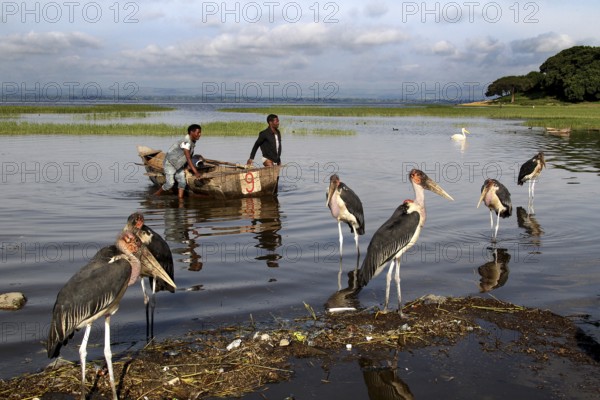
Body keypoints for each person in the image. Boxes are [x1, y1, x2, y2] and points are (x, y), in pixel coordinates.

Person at [154, 124, 203, 199]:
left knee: (182, 182)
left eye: (200, 133)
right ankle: (156, 195)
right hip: (170, 163)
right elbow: (188, 157)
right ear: (191, 132)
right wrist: (195, 172)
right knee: (170, 184)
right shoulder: (186, 142)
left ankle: (180, 199)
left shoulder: (192, 141)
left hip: (178, 164)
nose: (199, 135)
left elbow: (188, 156)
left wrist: (187, 167)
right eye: (198, 132)